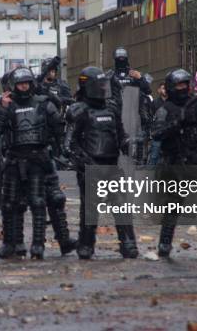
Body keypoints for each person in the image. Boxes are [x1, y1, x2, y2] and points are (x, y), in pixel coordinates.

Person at [64, 66, 137, 260]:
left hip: (112, 165)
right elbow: (69, 144)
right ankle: (86, 245)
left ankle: (128, 244)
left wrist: (128, 145)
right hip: (91, 167)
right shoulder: (78, 110)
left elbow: (120, 134)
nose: (103, 89)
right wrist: (83, 160)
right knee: (90, 210)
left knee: (121, 206)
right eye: (99, 85)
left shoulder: (111, 108)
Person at [151, 69, 197, 258]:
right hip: (178, 164)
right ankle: (164, 244)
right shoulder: (165, 109)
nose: (183, 88)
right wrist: (175, 124)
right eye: (179, 85)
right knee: (173, 206)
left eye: (186, 84)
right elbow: (156, 134)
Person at [0, 66, 64, 260]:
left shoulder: (43, 103)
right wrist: (3, 109)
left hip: (37, 159)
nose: (24, 87)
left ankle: (38, 245)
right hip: (14, 159)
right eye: (20, 84)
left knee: (38, 202)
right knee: (9, 204)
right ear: (14, 86)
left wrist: (59, 149)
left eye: (26, 83)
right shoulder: (7, 105)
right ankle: (11, 244)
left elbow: (58, 127)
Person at [33, 57, 77, 255]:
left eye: (54, 70)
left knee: (55, 197)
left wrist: (58, 100)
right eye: (49, 70)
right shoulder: (37, 87)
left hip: (54, 126)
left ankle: (64, 240)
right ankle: (32, 242)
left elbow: (69, 101)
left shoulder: (61, 86)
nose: (52, 73)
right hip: (32, 143)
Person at [110, 47, 152, 165]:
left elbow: (148, 90)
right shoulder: (111, 75)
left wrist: (140, 78)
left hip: (134, 111)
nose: (121, 61)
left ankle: (139, 161)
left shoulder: (134, 74)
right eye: (119, 59)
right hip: (117, 112)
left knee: (138, 138)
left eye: (123, 59)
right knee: (116, 138)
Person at [147, 83, 167, 166]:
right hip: (157, 134)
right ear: (158, 90)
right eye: (163, 88)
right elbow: (149, 117)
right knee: (154, 157)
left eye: (166, 88)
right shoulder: (154, 103)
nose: (165, 90)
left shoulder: (171, 102)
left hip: (169, 134)